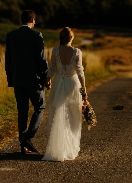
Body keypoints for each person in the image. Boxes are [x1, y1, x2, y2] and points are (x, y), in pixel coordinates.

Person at [5, 10, 51, 154]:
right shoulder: (37, 36)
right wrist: (46, 77)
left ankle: (23, 146)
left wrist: (11, 76)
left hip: (17, 79)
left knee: (22, 111)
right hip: (34, 80)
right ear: (33, 20)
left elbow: (8, 60)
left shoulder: (11, 36)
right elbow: (42, 59)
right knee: (40, 106)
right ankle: (27, 137)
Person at [42, 27, 88, 162]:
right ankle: (69, 149)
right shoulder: (77, 52)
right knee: (73, 117)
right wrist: (84, 90)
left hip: (59, 83)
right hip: (72, 85)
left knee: (57, 114)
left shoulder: (55, 50)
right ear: (71, 38)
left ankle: (57, 148)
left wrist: (47, 79)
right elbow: (80, 72)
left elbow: (52, 69)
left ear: (61, 38)